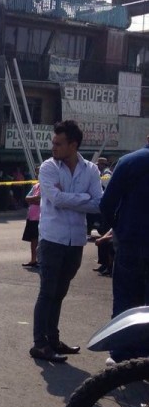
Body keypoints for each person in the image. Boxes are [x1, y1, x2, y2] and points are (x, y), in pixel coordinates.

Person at [30, 120, 102, 363]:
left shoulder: (90, 170)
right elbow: (55, 199)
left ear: (73, 145)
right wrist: (83, 198)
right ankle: (40, 344)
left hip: (76, 240)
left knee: (60, 293)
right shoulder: (49, 168)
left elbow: (98, 203)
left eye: (59, 143)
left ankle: (53, 339)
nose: (54, 147)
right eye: (53, 143)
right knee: (47, 292)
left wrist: (70, 197)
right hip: (52, 239)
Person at [100, 134, 149, 365]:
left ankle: (120, 355)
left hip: (130, 243)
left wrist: (117, 228)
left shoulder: (129, 161)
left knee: (125, 300)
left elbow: (106, 203)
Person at [21, 172, 40, 268]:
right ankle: (33, 260)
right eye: (37, 174)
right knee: (33, 239)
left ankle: (42, 260)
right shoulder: (36, 186)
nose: (38, 176)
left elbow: (43, 201)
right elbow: (27, 198)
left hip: (42, 218)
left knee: (42, 240)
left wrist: (34, 200)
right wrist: (35, 198)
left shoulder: (50, 186)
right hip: (32, 217)